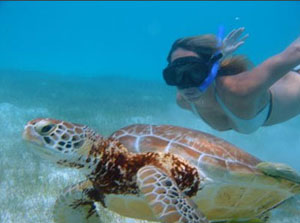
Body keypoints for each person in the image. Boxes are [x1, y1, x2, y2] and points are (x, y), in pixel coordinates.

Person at [163, 27, 300, 134]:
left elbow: (296, 51)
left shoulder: (240, 89)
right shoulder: (183, 100)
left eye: (195, 72)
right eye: (175, 75)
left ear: (210, 69)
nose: (187, 84)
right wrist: (218, 57)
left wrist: (216, 60)